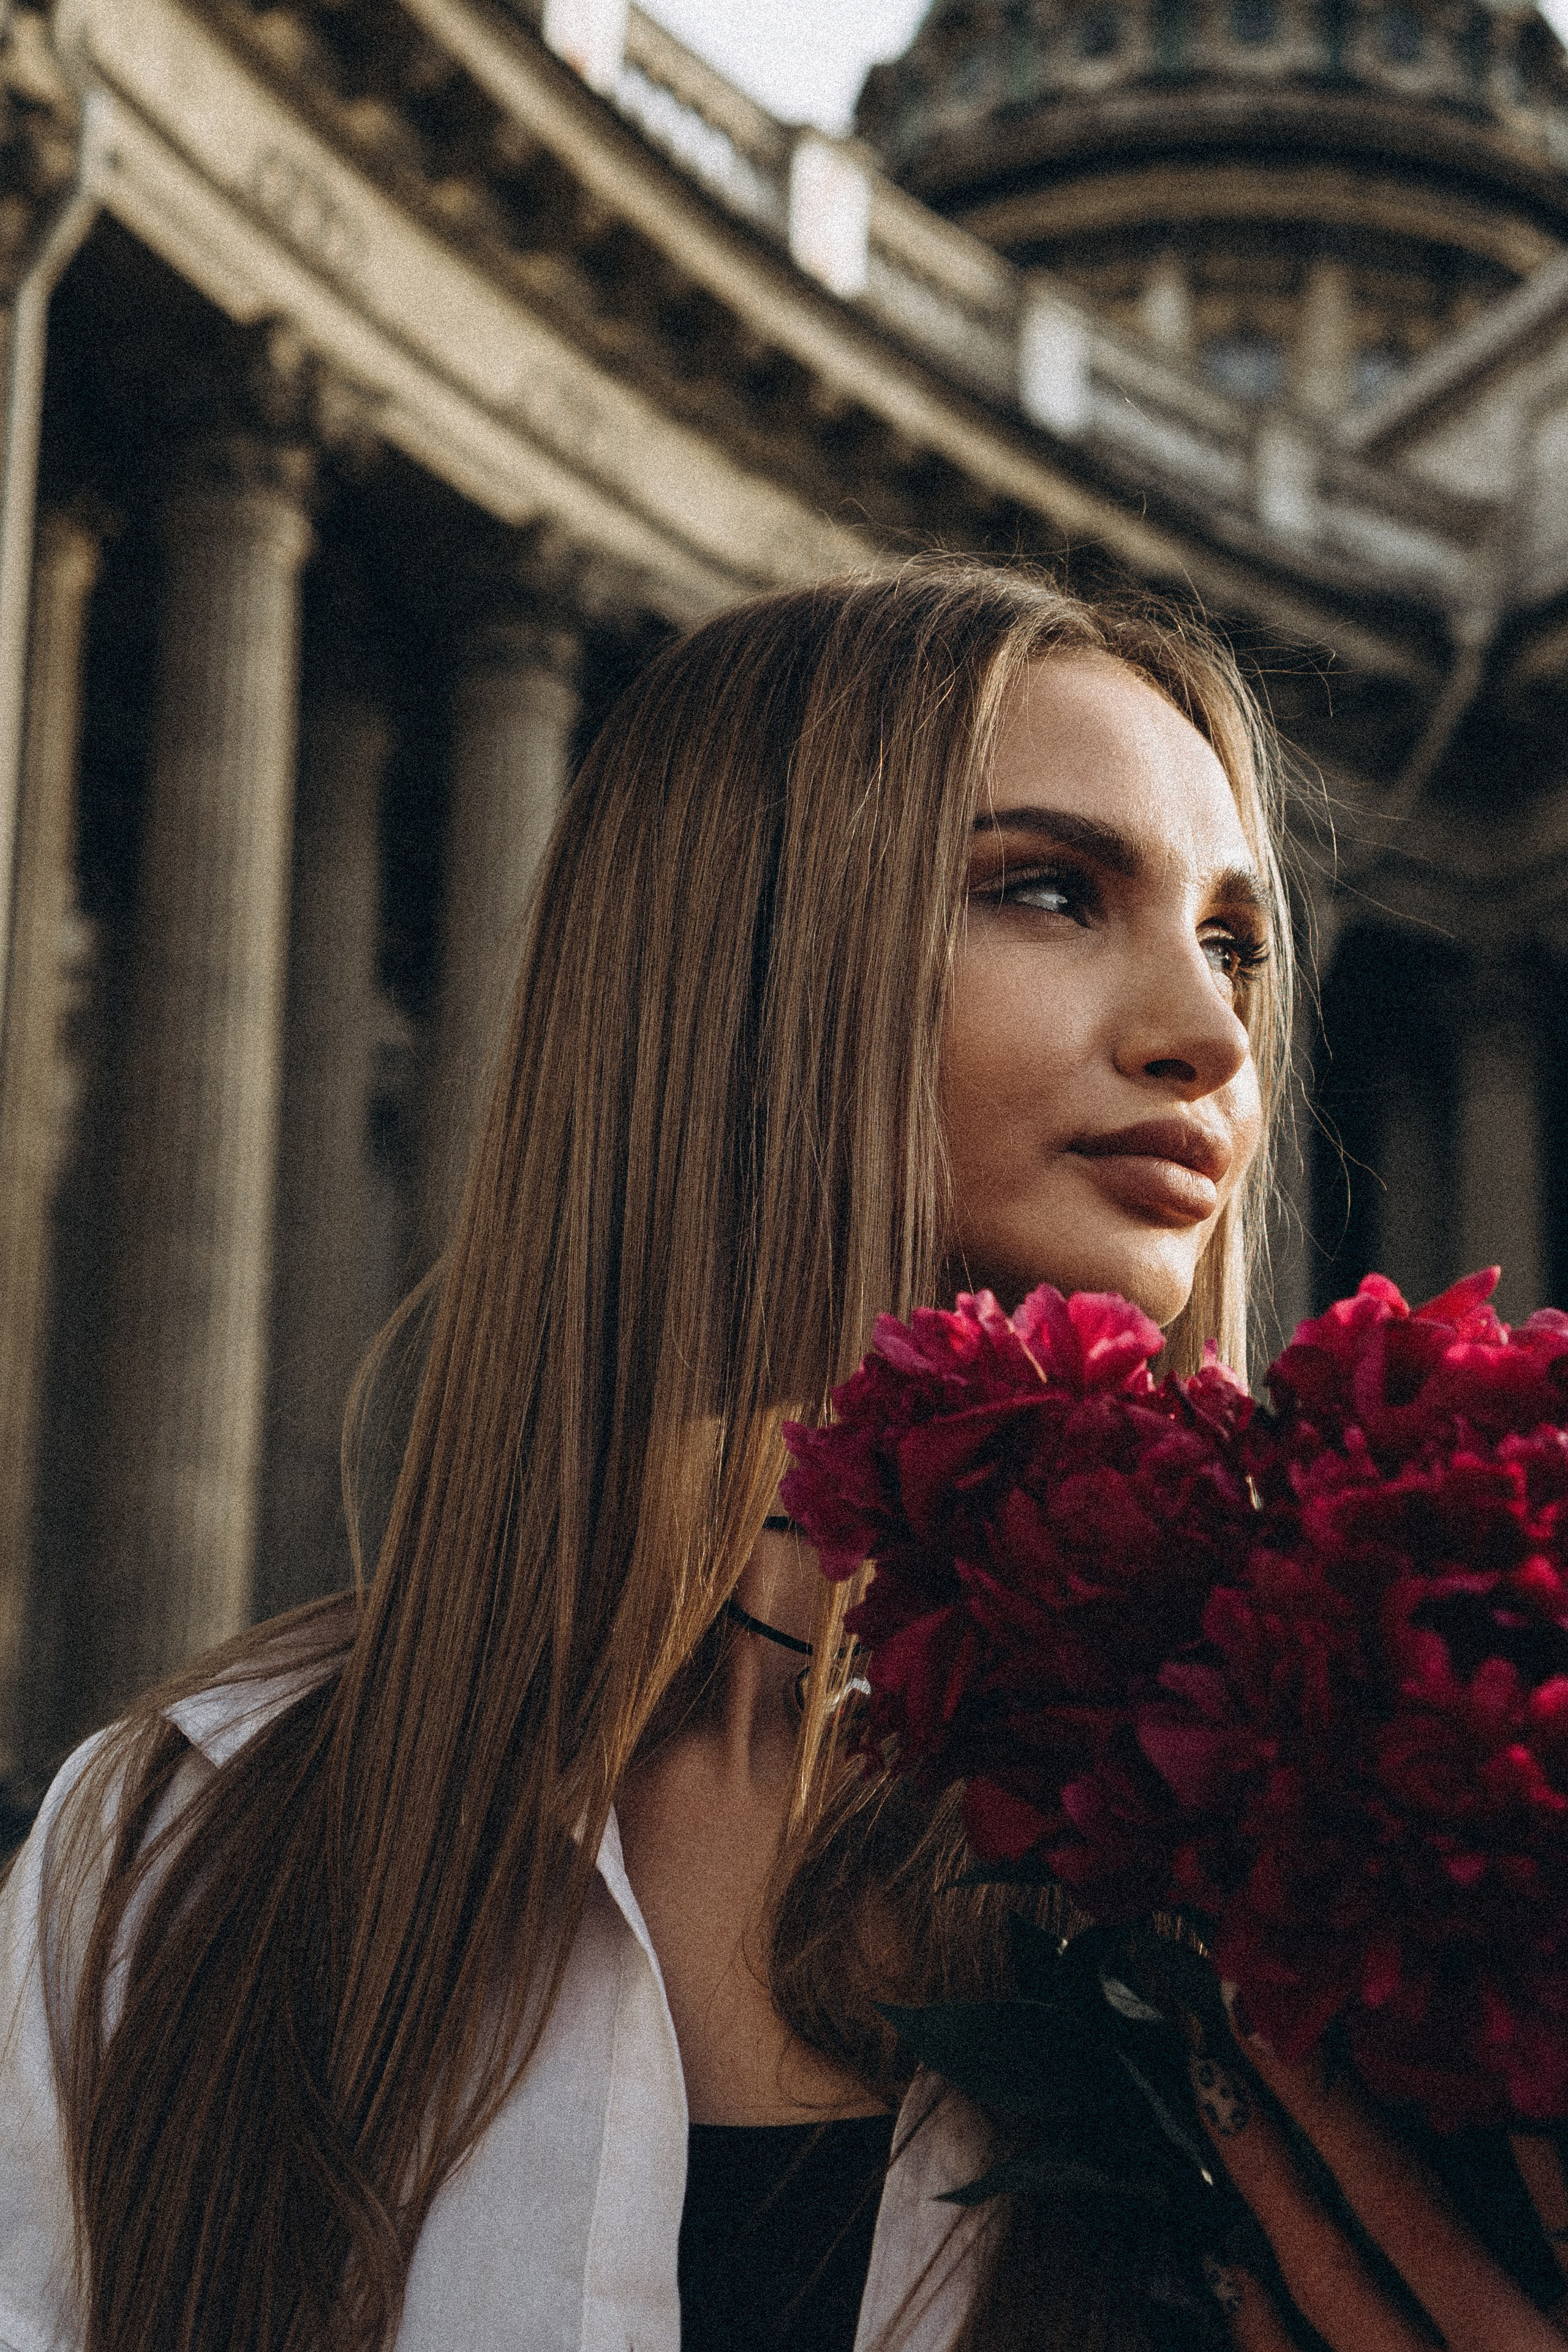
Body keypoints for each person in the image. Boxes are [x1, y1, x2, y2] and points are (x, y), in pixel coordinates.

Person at [1, 560, 1563, 2352]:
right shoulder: (178, 1847)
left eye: (1233, 941)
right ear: (727, 971)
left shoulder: (1362, 1856)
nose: (1209, 1039)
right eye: (1050, 890)